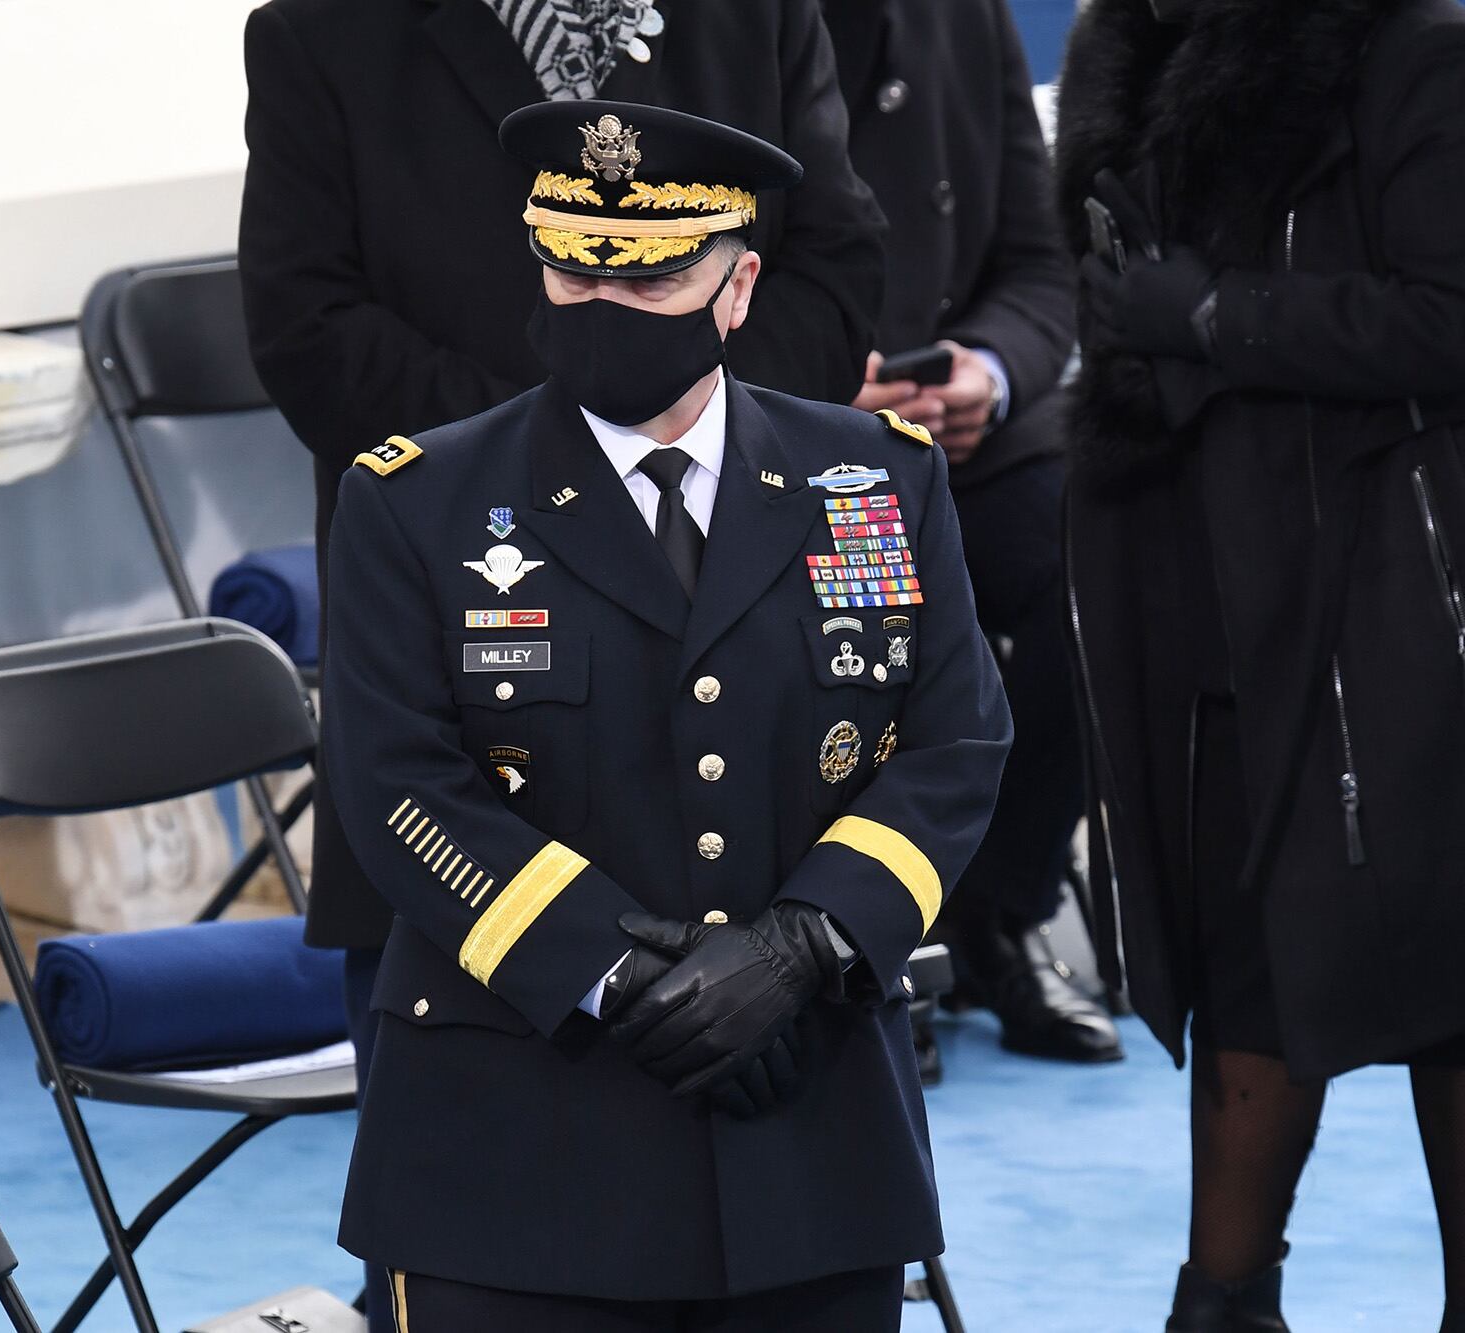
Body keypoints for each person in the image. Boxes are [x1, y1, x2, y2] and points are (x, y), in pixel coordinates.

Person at [320, 100, 1009, 1330]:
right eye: (572, 273)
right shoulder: (415, 505)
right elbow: (397, 786)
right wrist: (609, 968)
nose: (601, 308)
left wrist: (805, 944)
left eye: (647, 278)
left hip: (804, 1128)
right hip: (523, 1137)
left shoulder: (875, 480)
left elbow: (952, 742)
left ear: (737, 286)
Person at [238, 9, 882, 1323]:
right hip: (473, 699)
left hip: (752, 747)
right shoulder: (323, 30)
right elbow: (305, 324)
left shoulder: (752, 12)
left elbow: (837, 264)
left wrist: (684, 429)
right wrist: (562, 461)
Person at [1055, 0, 1465, 1329]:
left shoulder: (1429, 61)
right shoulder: (1130, 61)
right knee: (1244, 952)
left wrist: (1217, 316)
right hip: (1220, 576)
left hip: (1424, 590)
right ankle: (1222, 1302)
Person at [822, 0, 1119, 1067]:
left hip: (962, 434)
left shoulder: (963, 11)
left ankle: (994, 909)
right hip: (789, 435)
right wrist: (816, 392)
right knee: (848, 627)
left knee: (1105, 572)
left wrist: (981, 373)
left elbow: (1042, 264)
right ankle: (857, 941)